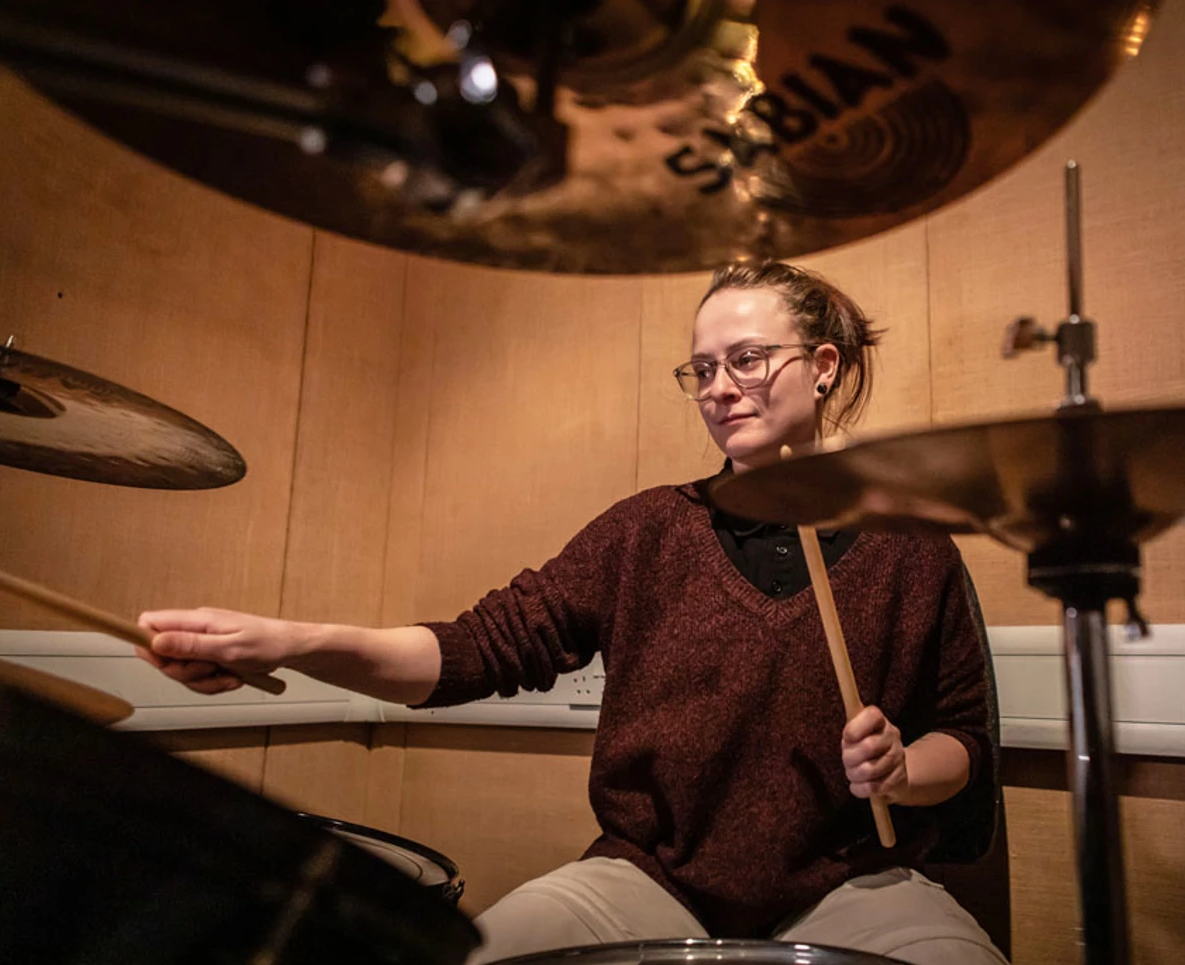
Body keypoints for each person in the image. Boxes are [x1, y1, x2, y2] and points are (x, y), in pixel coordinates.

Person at [136, 262, 1007, 965]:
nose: (719, 387)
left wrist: (900, 769)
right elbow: (474, 650)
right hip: (649, 874)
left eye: (747, 359)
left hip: (855, 881)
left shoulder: (912, 545)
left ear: (823, 366)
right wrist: (290, 640)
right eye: (702, 369)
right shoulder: (647, 530)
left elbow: (961, 739)